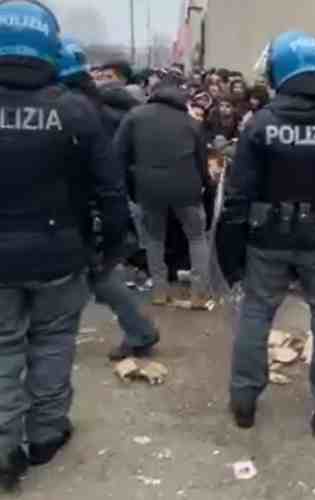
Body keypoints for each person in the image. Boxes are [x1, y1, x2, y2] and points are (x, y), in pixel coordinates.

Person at [0, 1, 128, 490]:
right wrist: (110, 249)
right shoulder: (75, 109)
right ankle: (47, 433)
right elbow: (110, 191)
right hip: (59, 251)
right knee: (53, 344)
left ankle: (6, 446)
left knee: (4, 347)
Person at [215, 31, 315, 434]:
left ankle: (244, 400)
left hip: (268, 240)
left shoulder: (260, 124)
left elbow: (238, 196)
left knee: (256, 313)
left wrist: (230, 256)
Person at [59, 39, 161, 362]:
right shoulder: (99, 106)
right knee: (99, 276)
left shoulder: (74, 110)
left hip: (81, 206)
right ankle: (140, 330)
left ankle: (139, 331)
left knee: (91, 277)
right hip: (100, 203)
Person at [114, 76, 212, 309]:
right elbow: (202, 162)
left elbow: (118, 155)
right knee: (197, 238)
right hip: (186, 190)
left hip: (148, 189)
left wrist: (130, 184)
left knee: (154, 239)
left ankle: (159, 292)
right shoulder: (191, 122)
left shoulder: (134, 117)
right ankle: (199, 294)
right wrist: (206, 184)